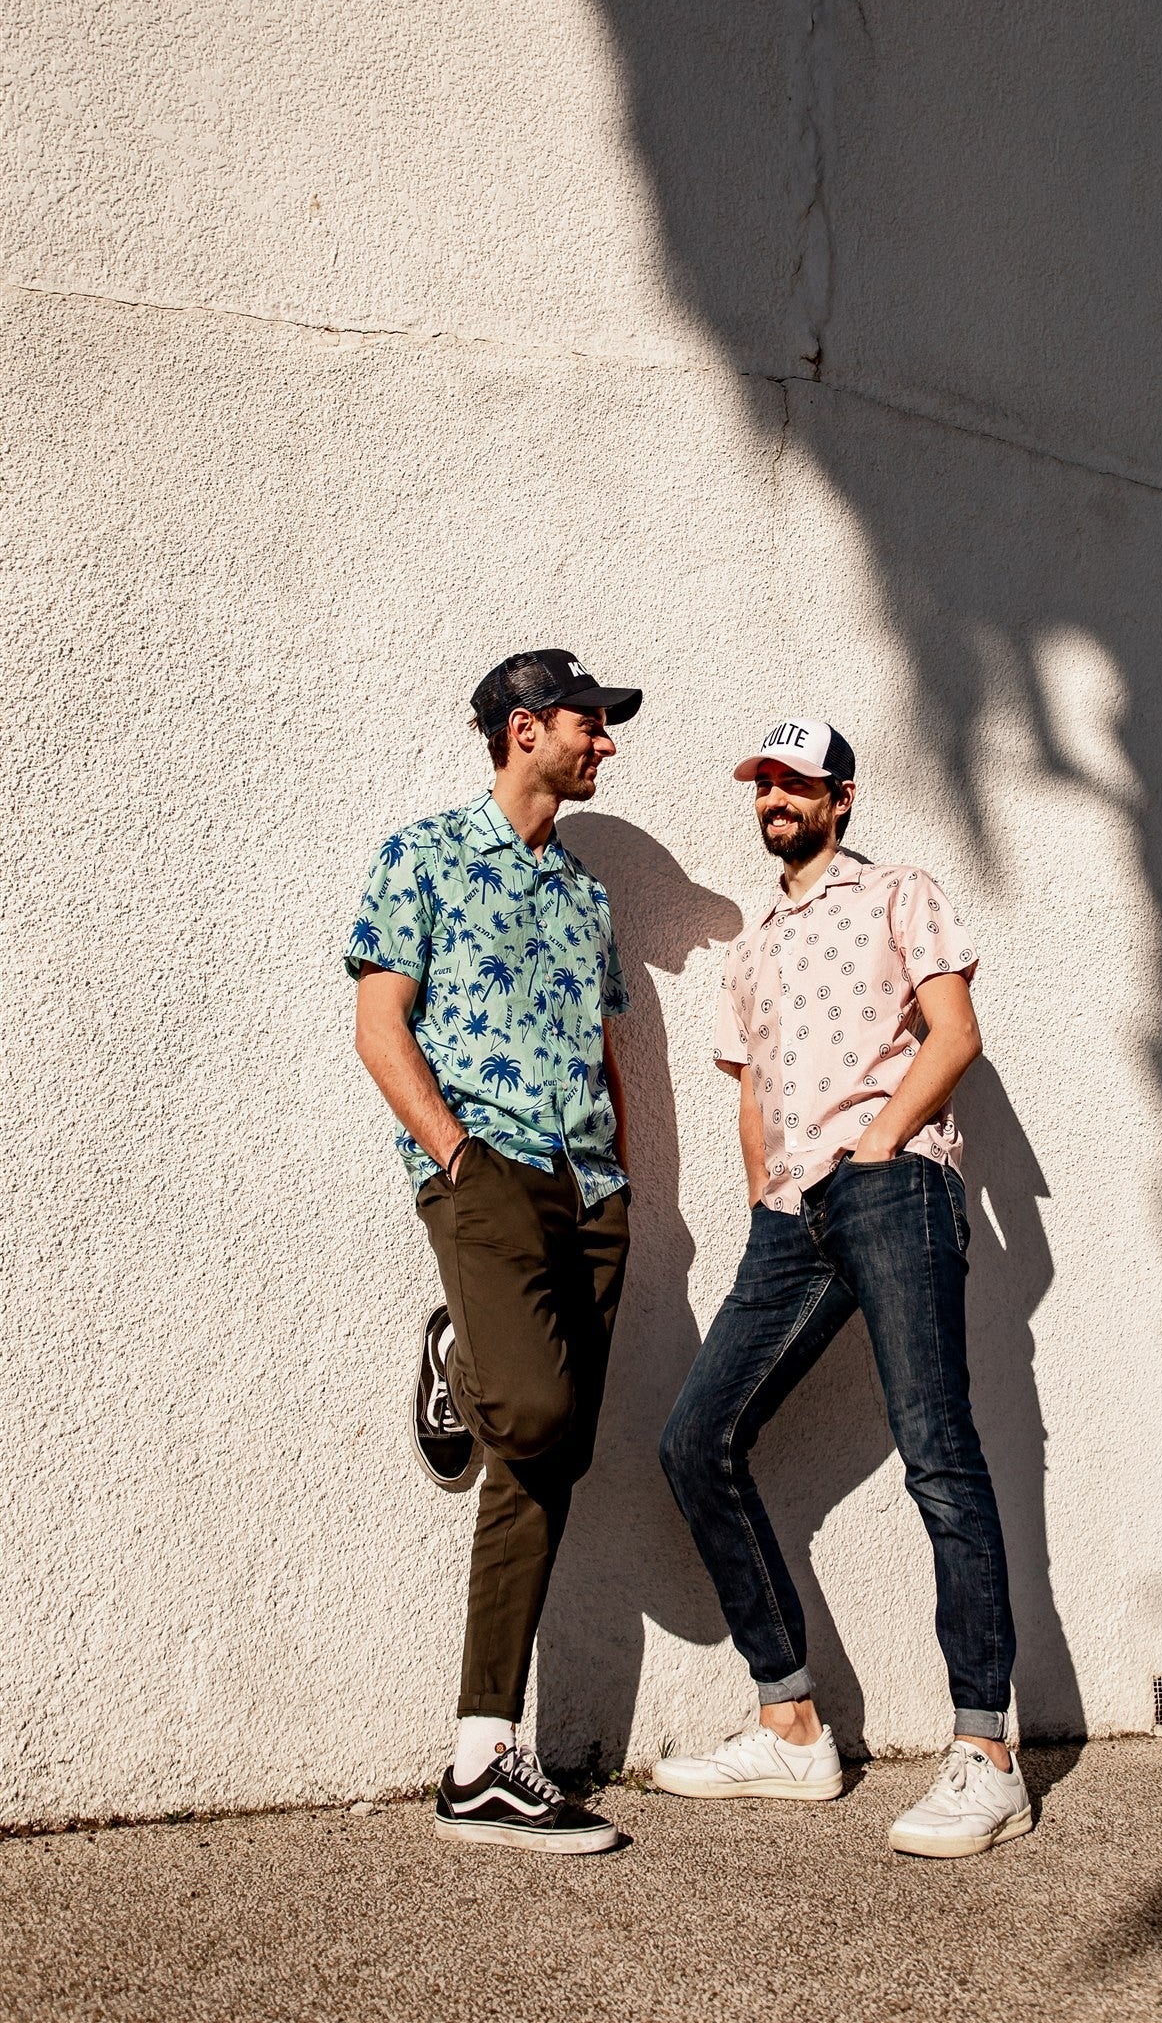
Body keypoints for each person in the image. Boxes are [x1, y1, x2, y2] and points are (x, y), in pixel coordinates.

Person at [654, 717, 1032, 1859]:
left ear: (842, 797)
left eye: (797, 782)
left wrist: (879, 1145)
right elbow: (750, 1088)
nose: (775, 798)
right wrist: (764, 1194)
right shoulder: (750, 946)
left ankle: (987, 1754)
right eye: (764, 783)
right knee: (695, 1440)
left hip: (892, 1185)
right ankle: (791, 1725)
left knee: (938, 1452)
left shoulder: (900, 891)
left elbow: (954, 1034)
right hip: (790, 1217)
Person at [345, 648, 641, 1855]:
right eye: (591, 722)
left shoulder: (587, 895)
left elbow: (605, 1049)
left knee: (547, 1458)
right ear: (526, 728)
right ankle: (461, 1356)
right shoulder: (422, 853)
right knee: (529, 1404)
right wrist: (456, 1153)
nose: (605, 743)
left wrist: (623, 1178)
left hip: (591, 1185)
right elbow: (380, 1024)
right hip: (488, 1167)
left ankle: (480, 1758)